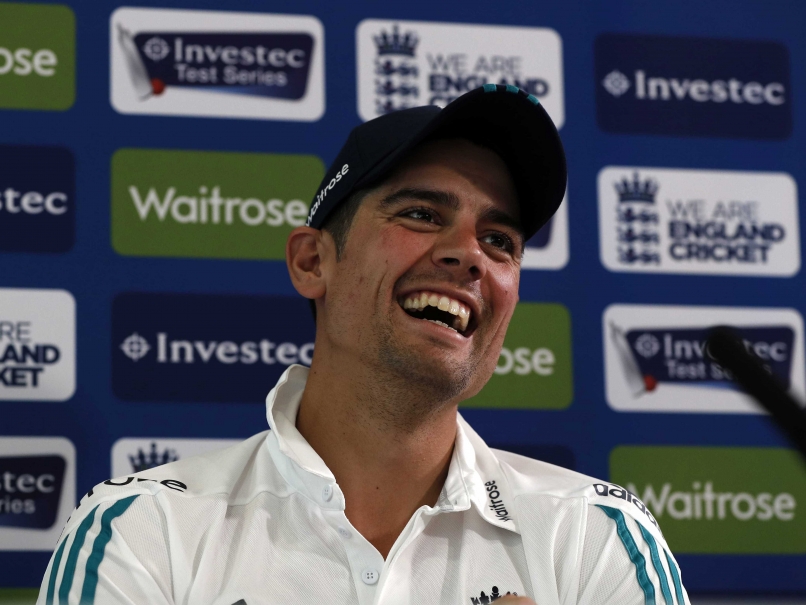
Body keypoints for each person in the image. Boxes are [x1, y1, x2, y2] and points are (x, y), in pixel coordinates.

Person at [37, 85, 690, 605]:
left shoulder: (595, 534)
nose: (469, 255)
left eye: (501, 241)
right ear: (312, 261)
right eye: (422, 214)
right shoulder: (141, 530)